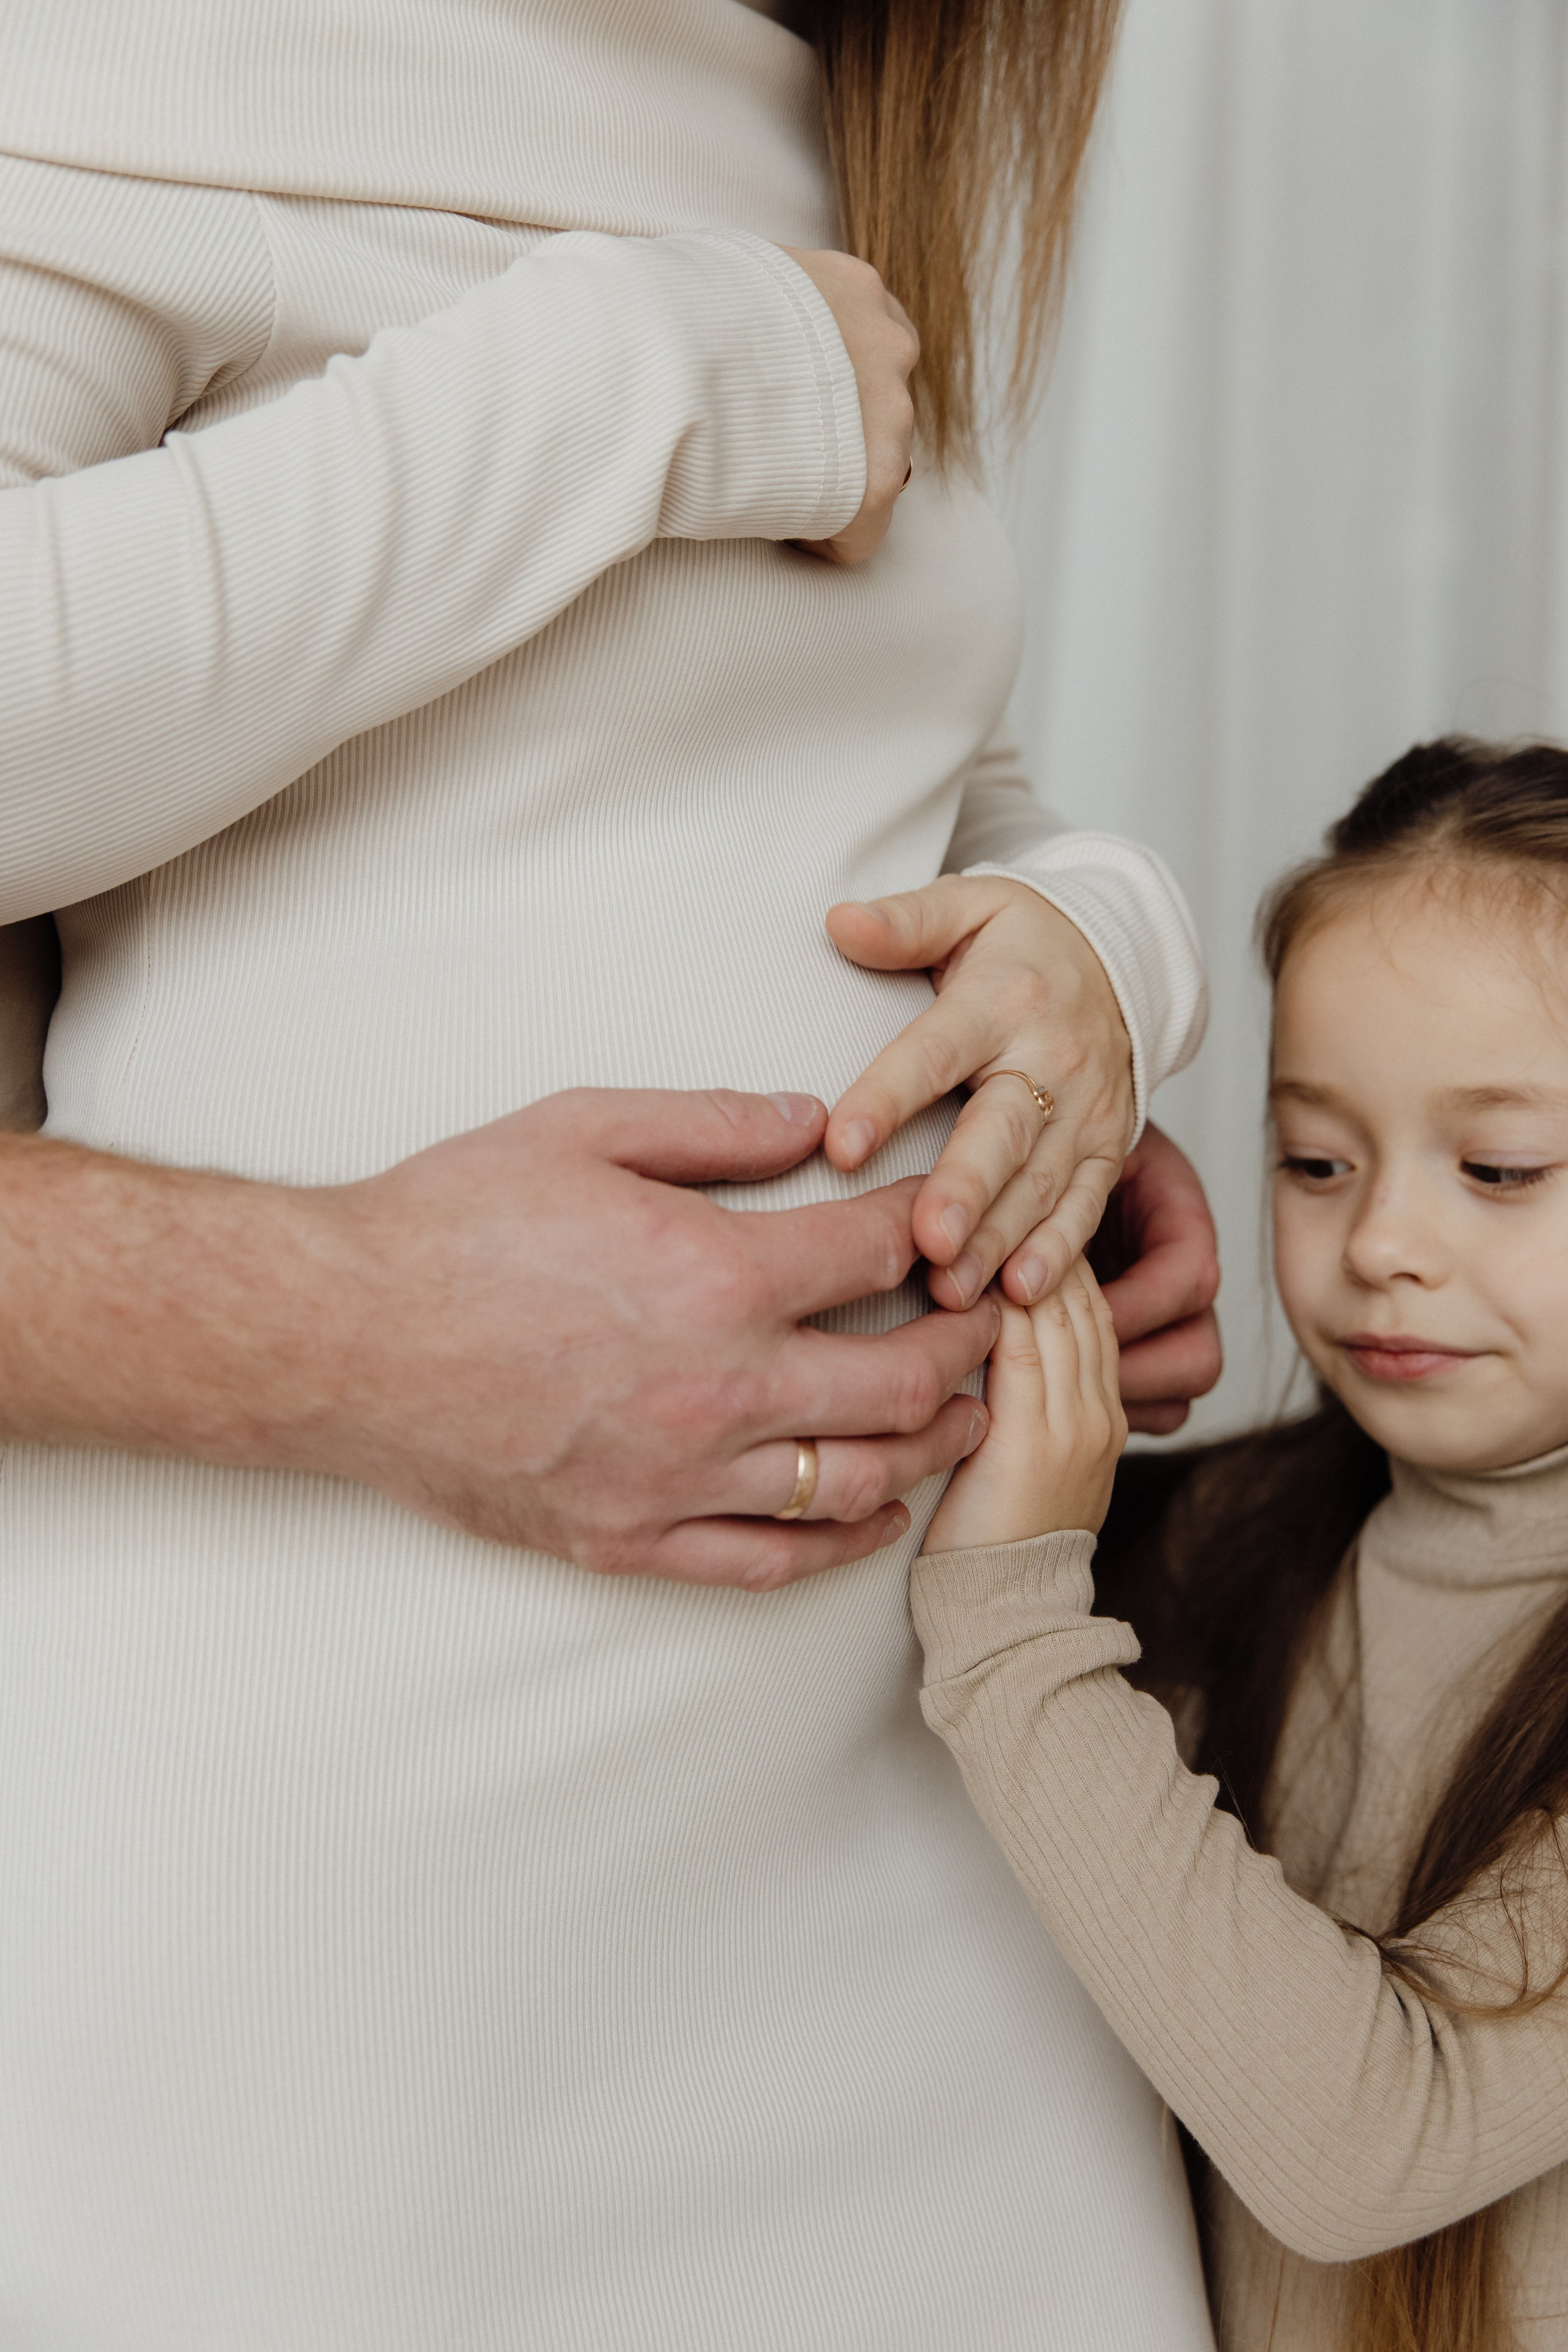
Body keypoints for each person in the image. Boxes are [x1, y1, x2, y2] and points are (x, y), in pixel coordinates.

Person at [0, 1, 1221, 2344]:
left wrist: (1094, 954)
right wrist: (636, 367)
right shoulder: (131, 59)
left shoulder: (792, 108)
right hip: (346, 1865)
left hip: (910, 1793)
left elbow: (890, 772)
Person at [915, 737, 1568, 2352]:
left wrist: (1008, 1616)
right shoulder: (1213, 1543)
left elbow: (1365, 2149)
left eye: (1499, 1169)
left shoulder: (1057, 1606)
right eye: (1316, 1161)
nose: (1384, 1245)